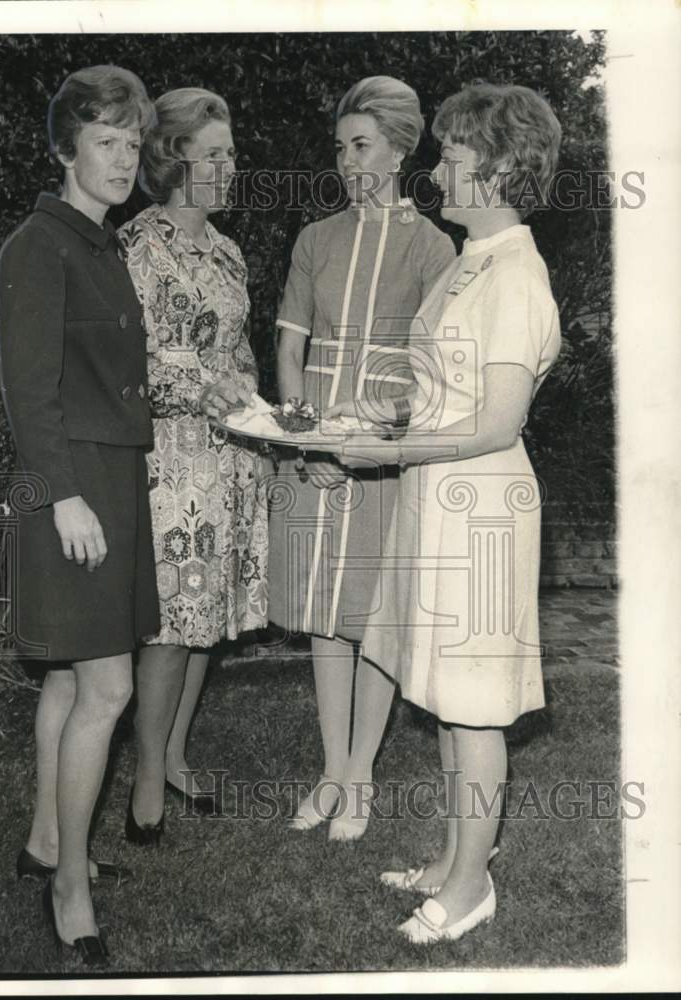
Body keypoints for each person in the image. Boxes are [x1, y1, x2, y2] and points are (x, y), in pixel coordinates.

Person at [331, 83, 562, 942]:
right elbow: (445, 395)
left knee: (473, 707)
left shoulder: (517, 276)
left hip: (483, 514)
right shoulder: (474, 261)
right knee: (440, 693)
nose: (435, 174)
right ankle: (451, 858)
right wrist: (385, 419)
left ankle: (469, 888)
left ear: (498, 170)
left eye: (452, 160)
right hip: (439, 499)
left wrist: (385, 453)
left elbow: (496, 423)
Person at [0, 65, 157, 966]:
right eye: (105, 140)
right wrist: (62, 497)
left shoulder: (100, 244)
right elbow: (29, 391)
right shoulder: (38, 245)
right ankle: (71, 889)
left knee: (66, 678)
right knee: (108, 689)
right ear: (66, 149)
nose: (123, 157)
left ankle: (46, 844)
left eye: (132, 142)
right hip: (69, 487)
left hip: (106, 480)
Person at [269, 76, 455, 841]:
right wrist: (307, 437)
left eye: (362, 146)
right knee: (323, 614)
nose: (347, 161)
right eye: (341, 147)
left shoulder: (433, 245)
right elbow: (288, 348)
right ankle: (329, 769)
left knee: (370, 616)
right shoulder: (316, 239)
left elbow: (434, 371)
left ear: (401, 149)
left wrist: (369, 439)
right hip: (315, 450)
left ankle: (361, 777)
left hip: (381, 455)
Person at [118, 88, 269, 840]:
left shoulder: (227, 248)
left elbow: (238, 349)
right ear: (173, 158)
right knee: (171, 630)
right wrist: (206, 389)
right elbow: (130, 365)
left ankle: (174, 756)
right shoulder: (137, 246)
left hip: (228, 460)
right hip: (169, 465)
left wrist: (253, 404)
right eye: (215, 154)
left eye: (232, 152)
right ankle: (145, 786)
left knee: (204, 622)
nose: (230, 165)